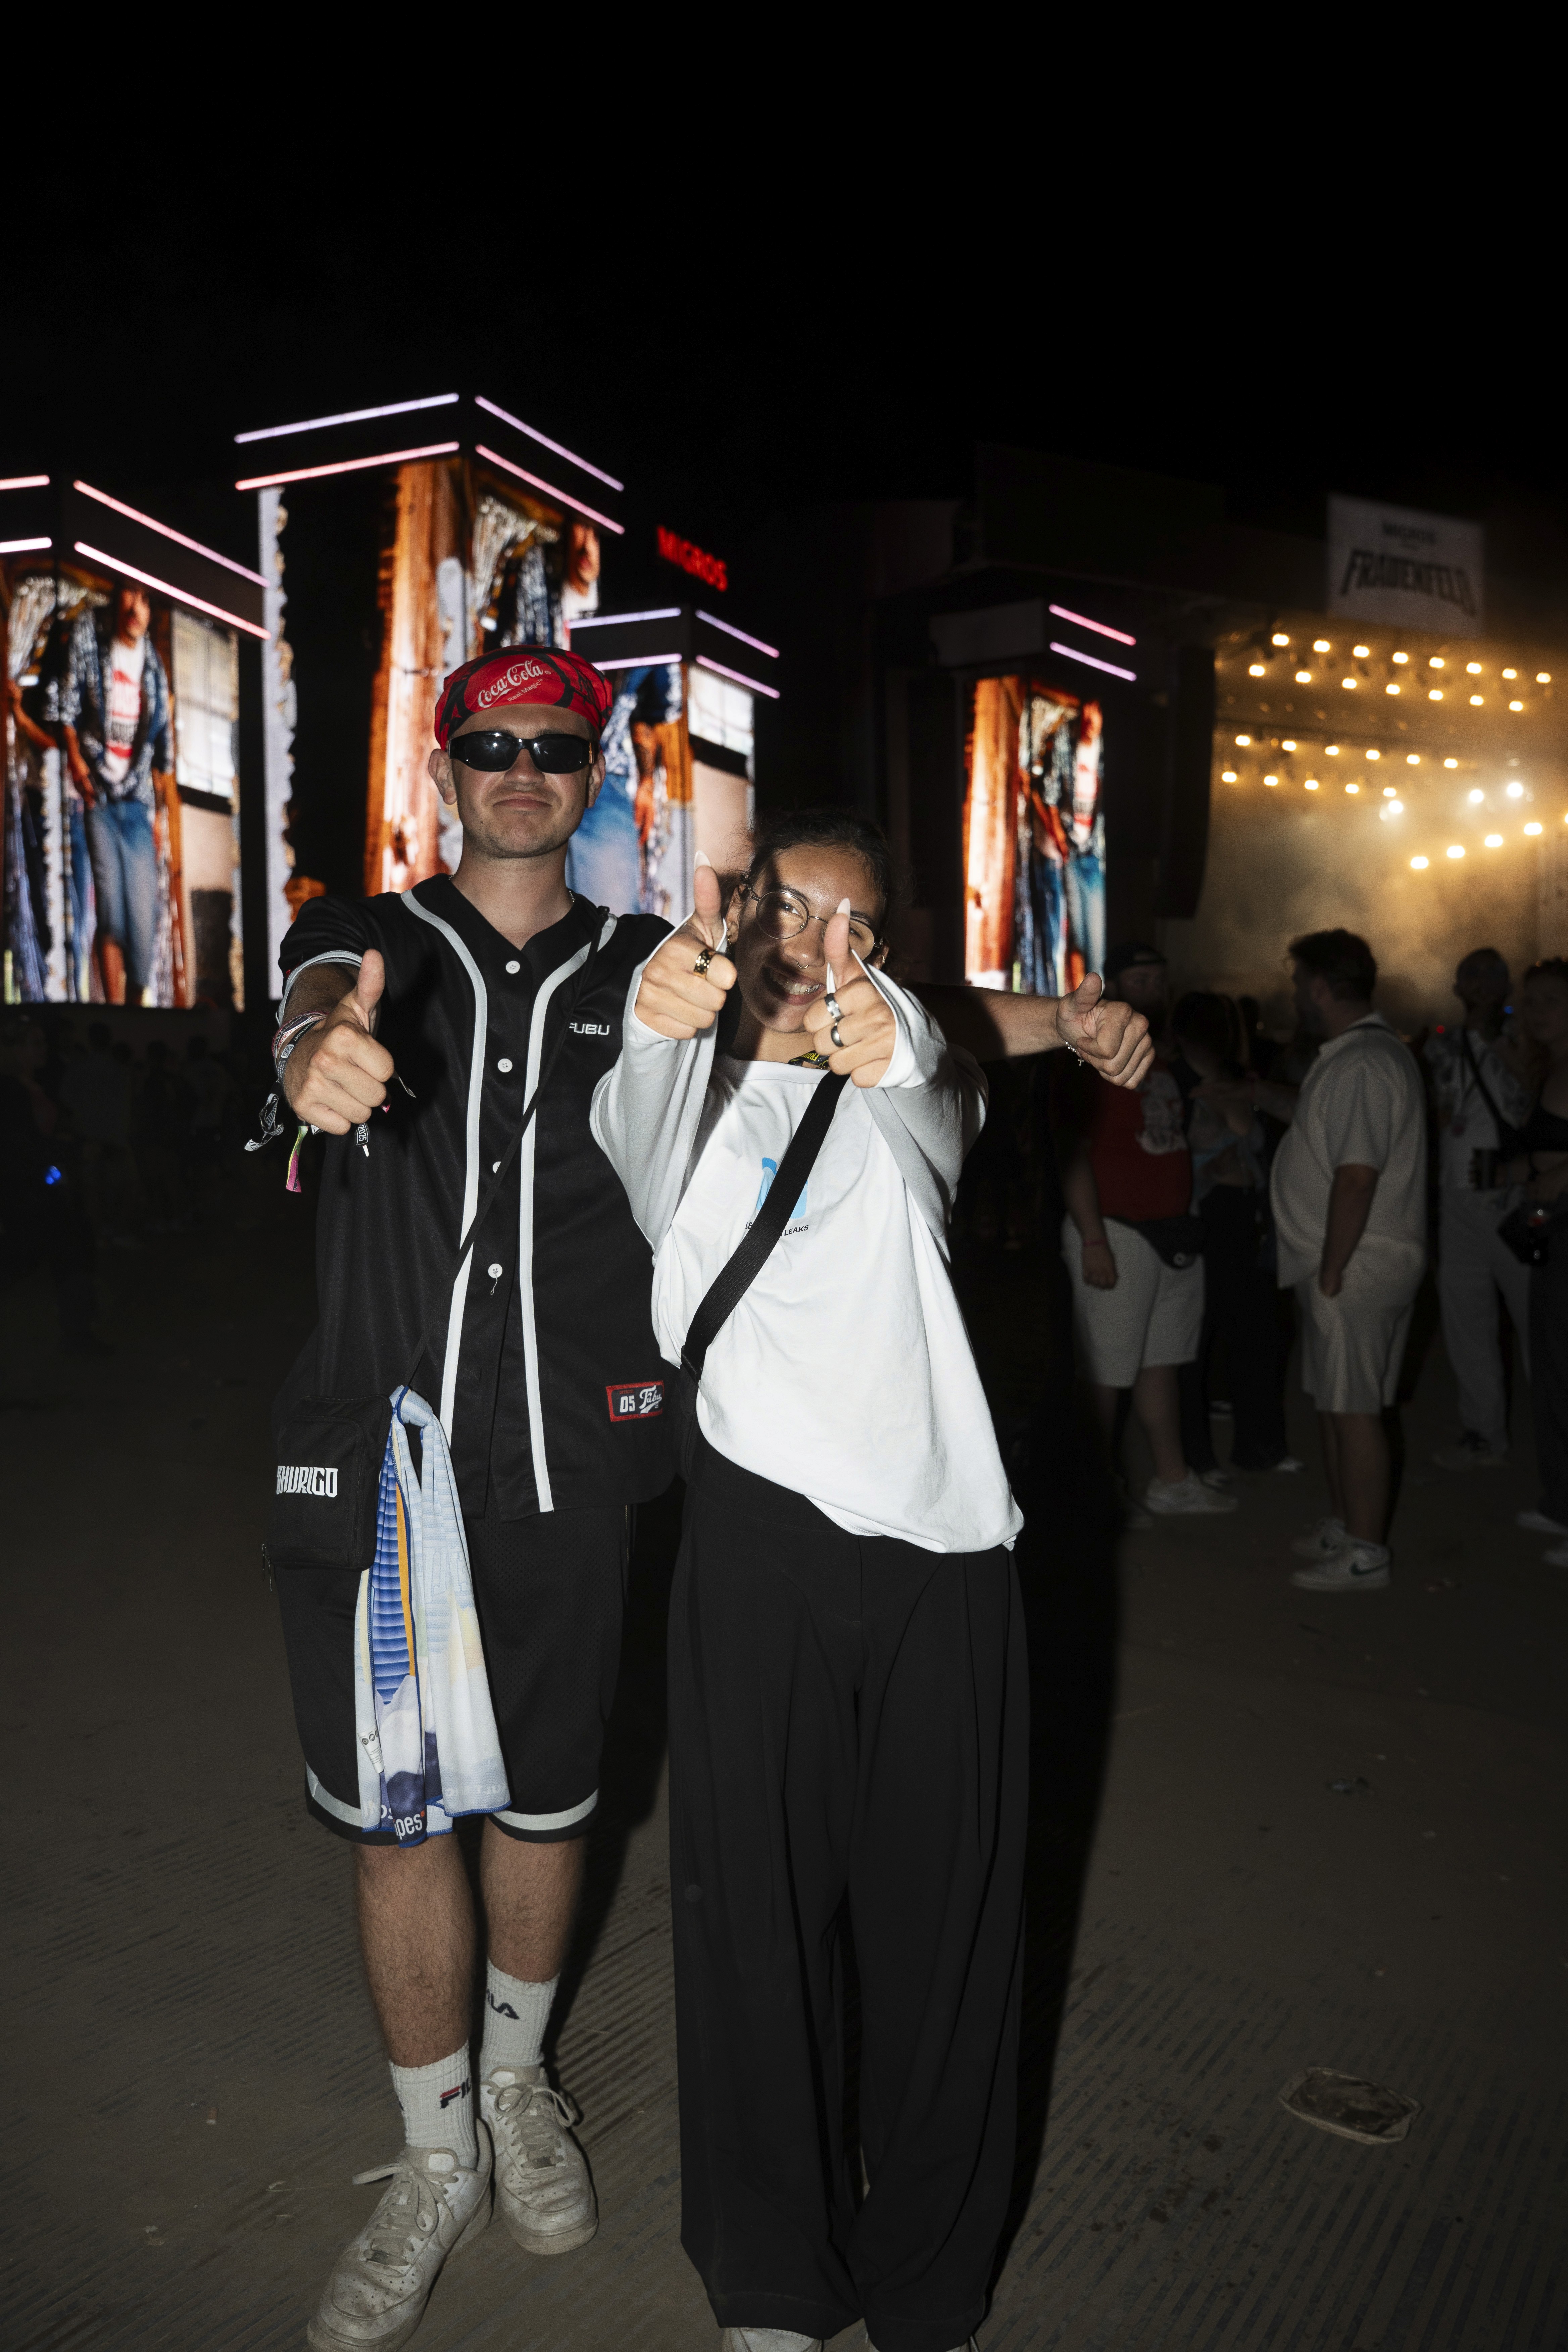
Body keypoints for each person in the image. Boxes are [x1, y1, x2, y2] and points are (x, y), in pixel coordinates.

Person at [591, 811, 1149, 2352]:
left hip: (944, 1552)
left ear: (883, 954)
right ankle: (772, 2276)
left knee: (945, 1927)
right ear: (734, 918)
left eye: (851, 923)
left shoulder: (918, 1091)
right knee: (753, 1922)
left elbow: (926, 1060)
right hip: (754, 1548)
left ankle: (927, 2277)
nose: (813, 944)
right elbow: (643, 1067)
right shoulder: (670, 1101)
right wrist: (661, 1008)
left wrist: (1020, 1021)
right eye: (785, 907)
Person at [270, 645, 676, 2352]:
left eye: (554, 746)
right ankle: (434, 2155)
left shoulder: (653, 971)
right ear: (443, 770)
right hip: (382, 1466)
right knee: (401, 1817)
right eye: (491, 744)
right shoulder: (366, 939)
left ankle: (516, 2088)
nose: (522, 768)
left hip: (574, 1458)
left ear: (591, 776)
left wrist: (1048, 1023)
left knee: (551, 1801)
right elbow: (306, 1007)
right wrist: (315, 1051)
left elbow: (832, 1030)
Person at [1052, 943, 1238, 1520]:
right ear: (1114, 986)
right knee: (1105, 1375)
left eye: (1159, 979)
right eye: (1140, 979)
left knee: (1162, 1364)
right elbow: (1071, 1152)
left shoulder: (1162, 1058)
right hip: (1116, 1233)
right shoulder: (1090, 1056)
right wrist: (1092, 1237)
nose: (1153, 989)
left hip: (1171, 1233)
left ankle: (1172, 1480)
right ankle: (1093, 1492)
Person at [1271, 930, 1425, 1592]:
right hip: (1343, 1262)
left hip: (1354, 1264)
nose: (1293, 997)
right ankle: (1345, 1525)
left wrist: (1333, 1267)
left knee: (1354, 1410)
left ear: (1318, 987)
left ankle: (1365, 1552)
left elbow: (1356, 1177)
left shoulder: (1362, 1060)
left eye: (1296, 984)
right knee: (1337, 1405)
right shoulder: (1357, 1055)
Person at [1172, 991, 1295, 1475]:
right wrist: (1205, 1171)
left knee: (1257, 1334)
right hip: (1203, 1217)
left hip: (1245, 1219)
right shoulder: (1174, 1085)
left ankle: (1260, 1447)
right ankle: (1196, 1458)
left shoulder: (1241, 1081)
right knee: (1194, 1341)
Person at [1422, 948, 1532, 1469]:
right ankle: (1484, 1433)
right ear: (1457, 988)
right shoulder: (1441, 1044)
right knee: (1467, 1321)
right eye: (1473, 975)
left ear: (1509, 989)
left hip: (1513, 1198)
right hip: (1457, 1195)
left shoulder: (1528, 1039)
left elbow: (1535, 1096)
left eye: (1494, 976)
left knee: (1537, 1319)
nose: (1484, 984)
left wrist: (1500, 1042)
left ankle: (1555, 1432)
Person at [55, 585, 172, 1006]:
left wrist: (160, 818)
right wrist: (76, 759)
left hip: (138, 803)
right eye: (129, 595)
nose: (135, 608)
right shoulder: (91, 635)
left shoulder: (153, 666)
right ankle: (115, 1012)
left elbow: (163, 748)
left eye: (145, 600)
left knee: (143, 921)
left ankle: (137, 1010)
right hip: (98, 798)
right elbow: (65, 703)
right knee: (110, 913)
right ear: (118, 596)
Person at [1502, 959, 1568, 1563]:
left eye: (1551, 1000)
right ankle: (1559, 1501)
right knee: (1548, 1366)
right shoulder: (1548, 1067)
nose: (1538, 1010)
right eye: (1532, 1000)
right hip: (1550, 1231)